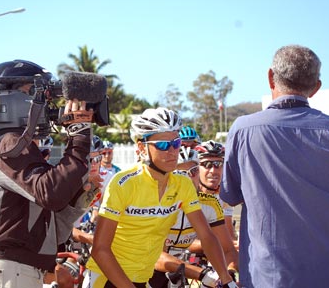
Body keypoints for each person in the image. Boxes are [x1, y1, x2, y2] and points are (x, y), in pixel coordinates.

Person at [220, 44, 329, 287]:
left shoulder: (243, 129)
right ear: (316, 88)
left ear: (271, 77)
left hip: (269, 277)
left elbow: (229, 196)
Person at [0, 60, 96, 288]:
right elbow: (51, 193)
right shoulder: (8, 143)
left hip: (15, 270)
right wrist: (79, 136)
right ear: (6, 99)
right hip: (6, 270)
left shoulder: (15, 146)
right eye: (31, 93)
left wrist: (78, 198)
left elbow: (50, 231)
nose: (44, 103)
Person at [84, 107, 237, 287]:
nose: (172, 151)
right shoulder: (123, 183)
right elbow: (100, 249)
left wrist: (226, 279)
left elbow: (207, 236)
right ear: (142, 147)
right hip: (107, 277)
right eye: (163, 145)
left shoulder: (183, 184)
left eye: (176, 143)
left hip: (143, 277)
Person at [149, 145, 239, 288]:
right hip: (152, 267)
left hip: (184, 266)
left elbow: (227, 249)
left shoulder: (210, 204)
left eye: (193, 171)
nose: (188, 178)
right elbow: (154, 257)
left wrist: (228, 274)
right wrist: (203, 274)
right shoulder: (158, 204)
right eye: (180, 173)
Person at [195, 140, 237, 245]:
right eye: (207, 164)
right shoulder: (187, 194)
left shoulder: (223, 195)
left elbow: (229, 235)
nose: (213, 170)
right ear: (196, 168)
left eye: (218, 164)